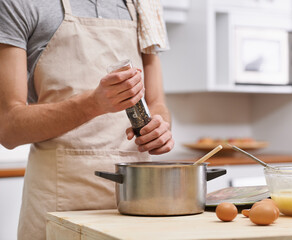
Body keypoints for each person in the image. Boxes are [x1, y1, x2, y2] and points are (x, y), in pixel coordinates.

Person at [0, 0, 174, 239]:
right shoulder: (19, 4)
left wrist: (160, 128)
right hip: (60, 200)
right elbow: (8, 128)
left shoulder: (144, 5)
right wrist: (93, 104)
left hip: (136, 200)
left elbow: (157, 103)